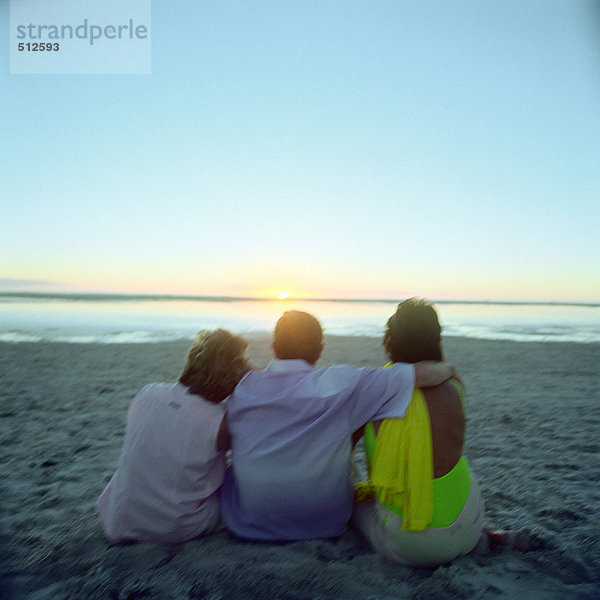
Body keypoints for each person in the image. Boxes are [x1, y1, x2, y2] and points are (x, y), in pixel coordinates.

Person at [220, 310, 459, 542]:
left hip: (249, 524)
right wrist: (450, 368)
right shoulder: (341, 384)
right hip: (324, 523)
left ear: (274, 347)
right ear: (320, 350)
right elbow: (421, 375)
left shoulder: (245, 387)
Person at [352, 299, 535, 567]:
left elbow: (342, 450)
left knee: (353, 501)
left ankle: (440, 542)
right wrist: (449, 368)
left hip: (414, 545)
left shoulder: (373, 390)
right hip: (470, 519)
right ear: (437, 340)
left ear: (389, 339)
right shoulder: (454, 385)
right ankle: (484, 538)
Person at [96, 329, 250, 544]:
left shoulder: (148, 393)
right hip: (173, 526)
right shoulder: (221, 421)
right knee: (238, 478)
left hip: (118, 519)